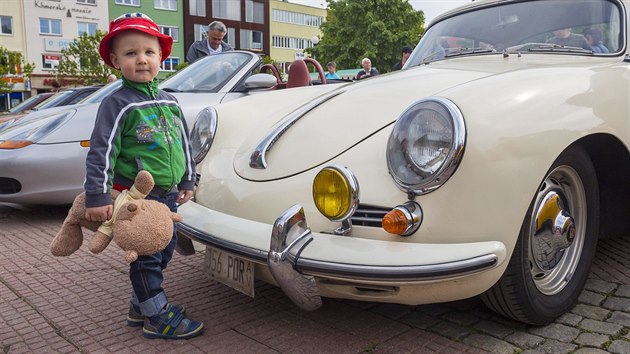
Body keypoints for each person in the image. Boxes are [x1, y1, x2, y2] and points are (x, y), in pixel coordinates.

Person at [89, 12, 203, 340]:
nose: (141, 59)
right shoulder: (117, 104)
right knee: (147, 256)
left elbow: (184, 144)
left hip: (167, 195)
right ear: (115, 60)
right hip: (138, 198)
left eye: (149, 52)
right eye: (131, 53)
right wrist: (97, 194)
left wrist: (187, 180)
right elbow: (101, 150)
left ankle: (140, 305)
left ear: (161, 58)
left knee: (164, 249)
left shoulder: (170, 102)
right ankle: (156, 316)